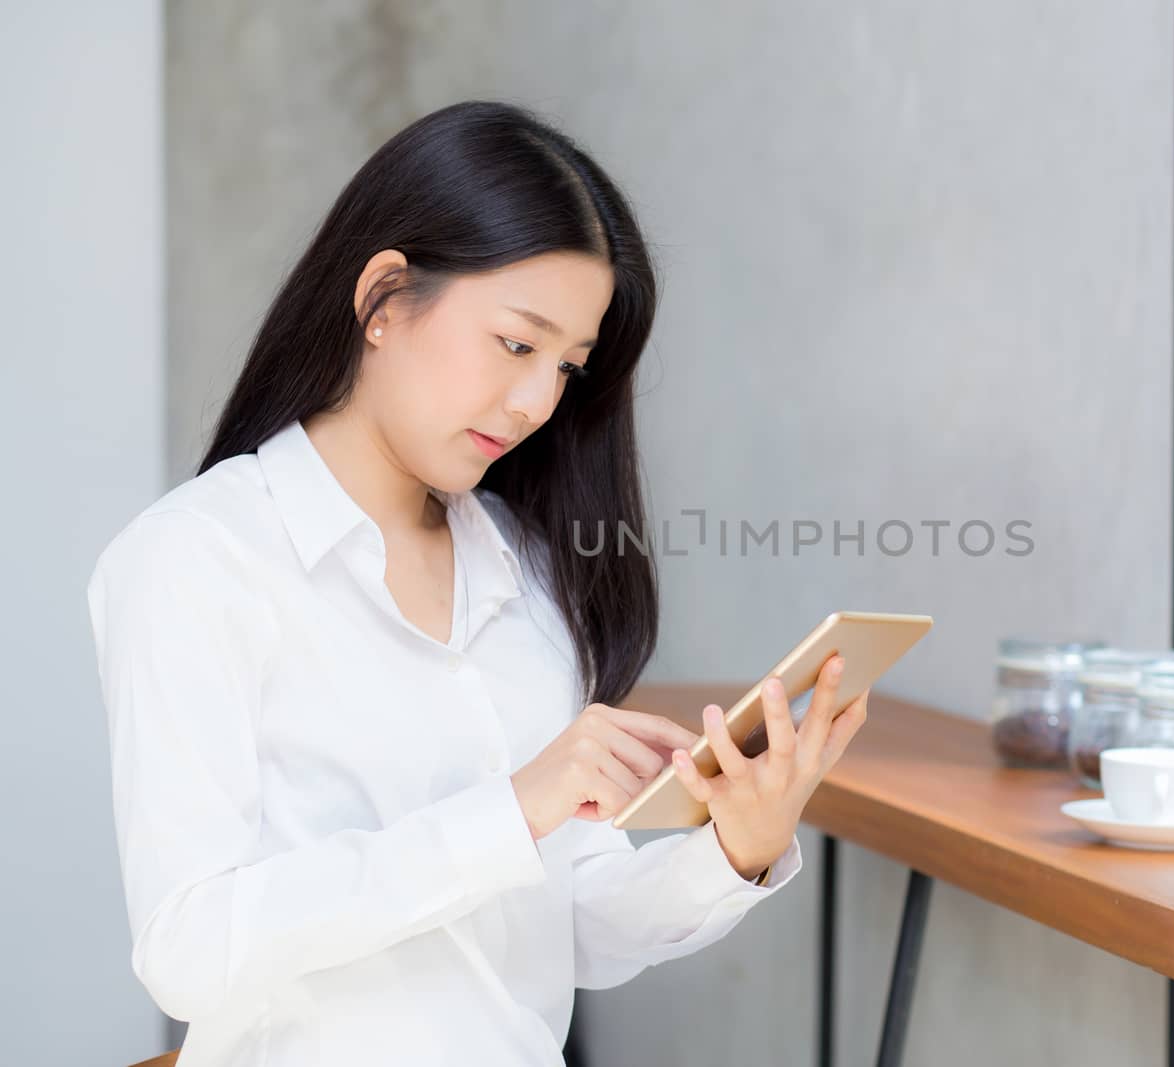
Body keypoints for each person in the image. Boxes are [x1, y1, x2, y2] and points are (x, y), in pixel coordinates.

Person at [85, 100, 869, 1067]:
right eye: (516, 344)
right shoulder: (197, 558)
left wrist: (735, 848)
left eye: (567, 367)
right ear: (383, 299)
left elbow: (567, 924)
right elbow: (189, 950)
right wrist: (512, 807)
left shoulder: (526, 568)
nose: (538, 401)